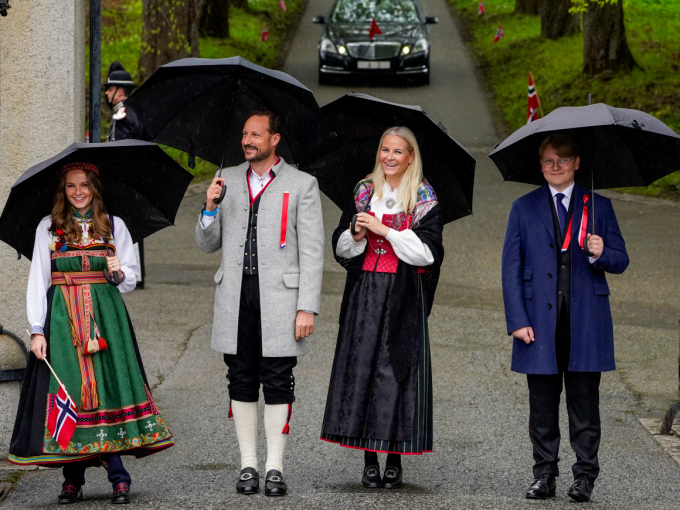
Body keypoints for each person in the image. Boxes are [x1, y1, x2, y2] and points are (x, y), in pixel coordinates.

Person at [8, 162, 173, 505]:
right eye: (70, 186)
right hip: (62, 318)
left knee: (109, 390)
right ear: (63, 191)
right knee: (72, 389)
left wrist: (118, 271)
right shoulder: (48, 228)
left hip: (106, 318)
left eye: (84, 185)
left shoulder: (115, 226)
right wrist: (37, 330)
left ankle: (119, 477)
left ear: (95, 188)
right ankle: (73, 479)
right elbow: (38, 280)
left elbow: (129, 281)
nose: (78, 192)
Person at [196, 111, 324, 497]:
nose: (247, 140)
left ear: (274, 139)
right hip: (235, 295)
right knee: (240, 378)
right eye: (244, 133)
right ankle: (248, 464)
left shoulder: (302, 184)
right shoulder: (227, 180)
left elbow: (313, 251)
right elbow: (207, 244)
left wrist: (307, 307)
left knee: (278, 379)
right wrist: (209, 207)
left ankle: (274, 468)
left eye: (256, 134)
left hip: (281, 299)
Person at [501, 133, 629, 503]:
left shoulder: (598, 206)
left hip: (585, 320)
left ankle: (585, 476)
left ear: (576, 163)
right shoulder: (524, 207)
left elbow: (621, 260)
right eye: (548, 161)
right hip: (538, 322)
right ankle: (544, 474)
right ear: (540, 166)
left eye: (562, 160)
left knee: (584, 404)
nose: (555, 167)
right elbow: (511, 268)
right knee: (541, 404)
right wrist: (517, 319)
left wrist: (602, 252)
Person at [320, 126, 444, 489]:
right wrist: (357, 234)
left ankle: (394, 458)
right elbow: (342, 249)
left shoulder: (422, 194)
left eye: (398, 152)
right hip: (365, 292)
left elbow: (428, 254)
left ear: (410, 157)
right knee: (363, 370)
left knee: (395, 372)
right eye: (385, 150)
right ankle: (368, 458)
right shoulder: (363, 191)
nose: (389, 158)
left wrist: (385, 231)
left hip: (403, 295)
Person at [104, 61, 146, 289]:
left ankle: (133, 274)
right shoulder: (131, 111)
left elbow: (118, 151)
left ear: (120, 91)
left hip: (123, 179)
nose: (107, 94)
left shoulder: (123, 113)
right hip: (133, 178)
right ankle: (135, 274)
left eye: (109, 89)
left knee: (125, 226)